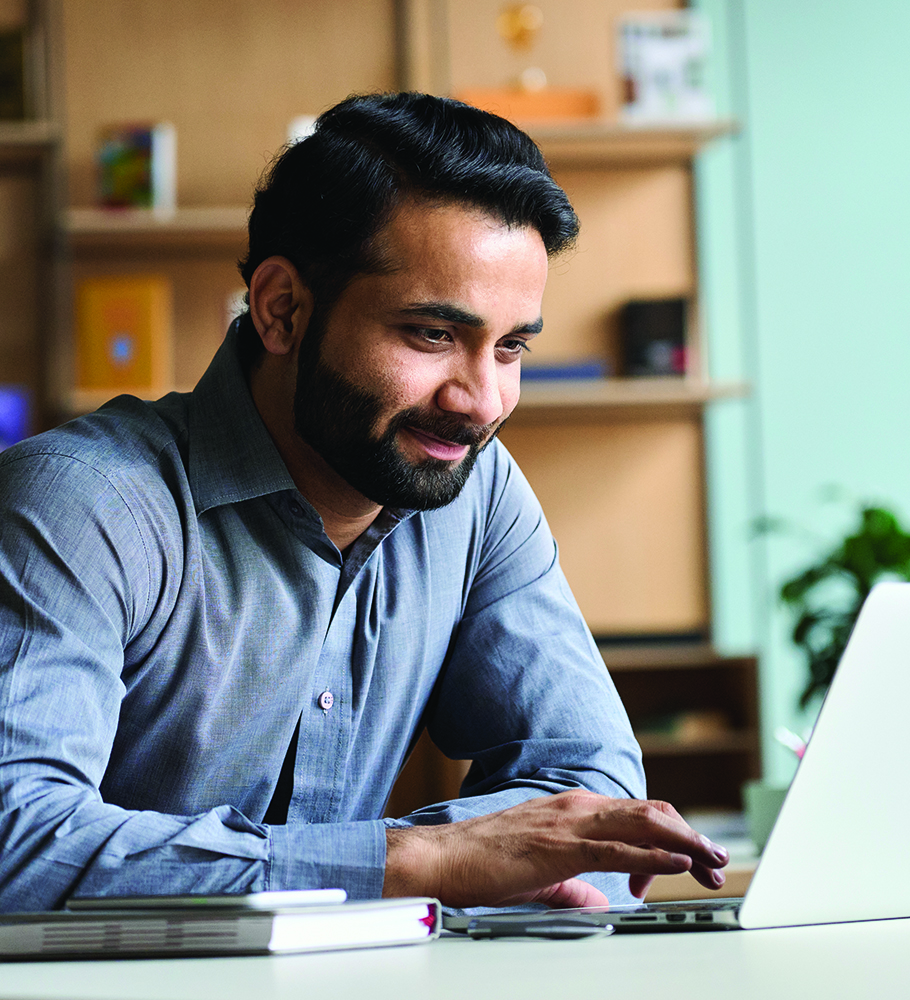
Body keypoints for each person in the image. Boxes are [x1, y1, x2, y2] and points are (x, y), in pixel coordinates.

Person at [0, 92, 728, 913]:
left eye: (512, 346)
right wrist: (414, 863)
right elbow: (16, 845)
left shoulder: (476, 493)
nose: (482, 401)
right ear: (282, 311)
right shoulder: (81, 504)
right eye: (432, 335)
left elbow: (590, 793)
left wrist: (455, 862)